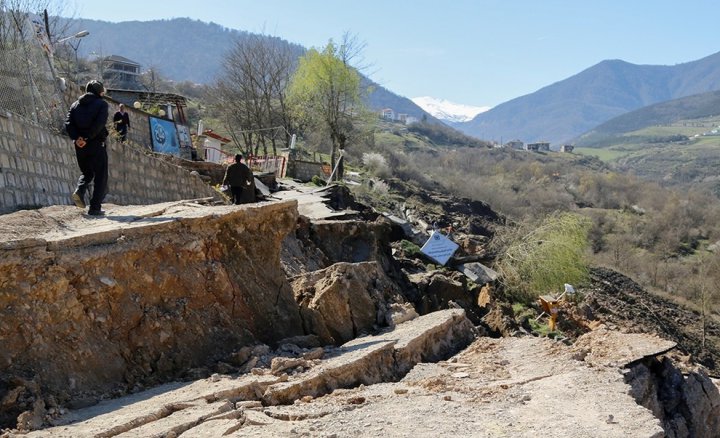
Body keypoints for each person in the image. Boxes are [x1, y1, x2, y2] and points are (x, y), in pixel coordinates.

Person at [64, 80, 110, 216]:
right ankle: (95, 207)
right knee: (101, 176)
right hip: (95, 144)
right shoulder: (102, 104)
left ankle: (80, 190)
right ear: (99, 91)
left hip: (80, 146)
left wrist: (77, 138)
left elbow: (68, 123)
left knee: (87, 172)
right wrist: (87, 138)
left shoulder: (75, 105)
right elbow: (99, 124)